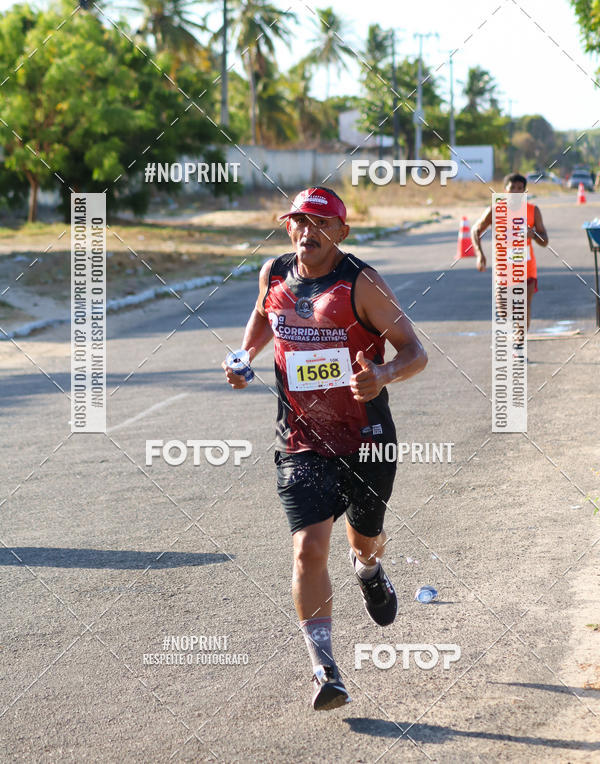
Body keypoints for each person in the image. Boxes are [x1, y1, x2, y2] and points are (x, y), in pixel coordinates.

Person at [222, 186, 427, 711]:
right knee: (307, 548)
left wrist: (381, 374)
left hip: (366, 439)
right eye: (297, 222)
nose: (305, 232)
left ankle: (369, 571)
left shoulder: (362, 283)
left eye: (318, 223)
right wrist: (243, 355)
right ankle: (324, 668)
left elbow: (415, 352)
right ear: (287, 226)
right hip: (300, 440)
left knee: (365, 540)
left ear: (340, 232)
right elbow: (264, 315)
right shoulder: (272, 273)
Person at [471, 172, 548, 329]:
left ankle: (519, 347)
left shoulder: (533, 211)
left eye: (520, 188)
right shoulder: (495, 210)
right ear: (505, 191)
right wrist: (480, 254)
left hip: (527, 269)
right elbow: (475, 230)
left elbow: (545, 240)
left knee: (523, 307)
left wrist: (532, 235)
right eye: (512, 188)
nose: (516, 191)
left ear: (524, 192)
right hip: (503, 271)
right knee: (504, 311)